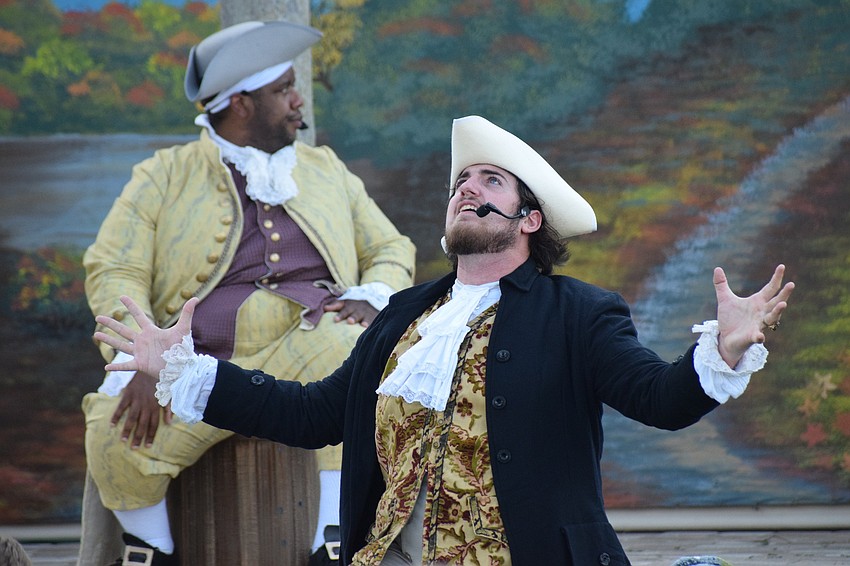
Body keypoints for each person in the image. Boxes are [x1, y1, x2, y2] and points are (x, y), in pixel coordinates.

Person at [92, 115, 794, 566]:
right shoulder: (402, 317)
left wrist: (723, 351)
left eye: (490, 179)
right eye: (460, 180)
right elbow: (311, 415)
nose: (467, 188)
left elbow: (658, 398)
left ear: (528, 219)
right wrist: (185, 371)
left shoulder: (579, 313)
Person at [81, 20, 416, 566]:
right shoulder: (161, 175)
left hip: (310, 347)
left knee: (354, 353)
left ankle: (331, 540)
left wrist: (373, 295)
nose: (297, 99)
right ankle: (151, 550)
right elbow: (114, 269)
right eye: (283, 89)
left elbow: (391, 246)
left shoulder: (324, 168)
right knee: (113, 432)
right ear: (239, 104)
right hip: (195, 363)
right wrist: (142, 357)